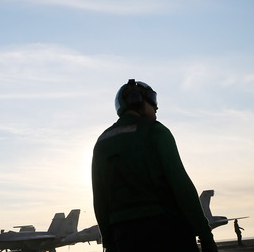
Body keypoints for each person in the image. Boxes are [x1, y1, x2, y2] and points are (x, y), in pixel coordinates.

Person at [92, 79, 218, 252]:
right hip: (168, 232)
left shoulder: (101, 143)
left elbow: (100, 201)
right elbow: (181, 186)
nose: (156, 107)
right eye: (152, 100)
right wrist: (206, 236)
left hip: (124, 238)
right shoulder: (156, 131)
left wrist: (109, 242)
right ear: (136, 100)